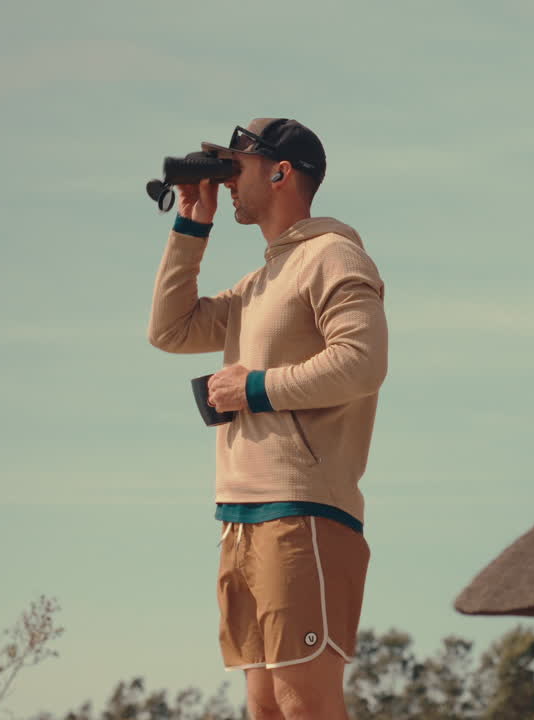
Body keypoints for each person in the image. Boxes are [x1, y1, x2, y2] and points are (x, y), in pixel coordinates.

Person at [148, 118, 387, 720]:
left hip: (303, 510)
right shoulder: (259, 282)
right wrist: (190, 226)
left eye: (238, 165)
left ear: (281, 172)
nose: (227, 180)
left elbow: (361, 362)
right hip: (241, 514)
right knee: (266, 708)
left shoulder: (334, 256)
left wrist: (254, 388)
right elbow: (169, 329)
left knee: (302, 704)